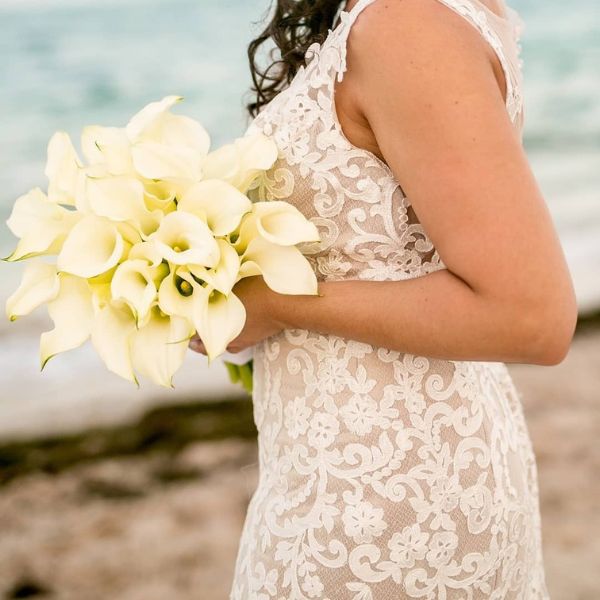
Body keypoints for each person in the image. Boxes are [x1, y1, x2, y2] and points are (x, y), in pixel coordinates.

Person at [190, 0, 576, 597]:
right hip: (361, 468)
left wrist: (276, 303)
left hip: (382, 501)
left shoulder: (407, 23)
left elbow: (531, 316)